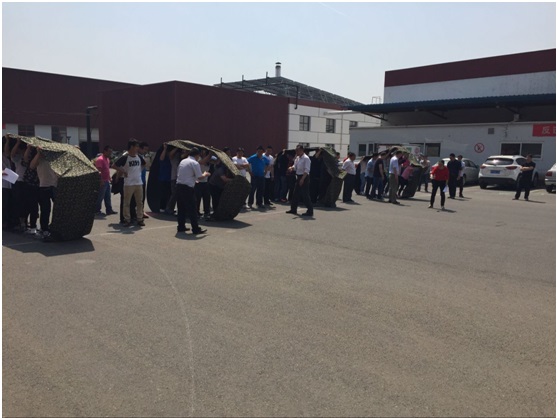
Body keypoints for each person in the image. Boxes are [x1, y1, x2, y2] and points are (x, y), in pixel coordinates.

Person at [176, 147, 210, 234]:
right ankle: (195, 228)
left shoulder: (183, 161)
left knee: (181, 207)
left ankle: (181, 226)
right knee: (192, 208)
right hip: (187, 188)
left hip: (179, 185)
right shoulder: (194, 163)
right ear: (197, 155)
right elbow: (200, 176)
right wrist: (205, 174)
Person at [113, 139, 146, 227]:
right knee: (126, 203)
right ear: (131, 147)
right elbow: (114, 165)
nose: (138, 148)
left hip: (138, 183)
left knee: (139, 202)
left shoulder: (139, 157)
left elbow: (144, 164)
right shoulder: (125, 157)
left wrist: (139, 171)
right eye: (136, 146)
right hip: (128, 184)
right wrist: (123, 171)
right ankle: (127, 219)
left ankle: (140, 218)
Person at [30, 146, 59, 239]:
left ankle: (56, 226)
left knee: (59, 208)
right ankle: (44, 228)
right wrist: (39, 153)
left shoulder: (54, 159)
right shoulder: (40, 159)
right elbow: (32, 166)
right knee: (45, 209)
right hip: (44, 186)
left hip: (54, 186)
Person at [286, 144, 313, 217]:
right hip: (298, 176)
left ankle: (310, 211)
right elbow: (295, 166)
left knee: (305, 195)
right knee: (295, 194)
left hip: (304, 177)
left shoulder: (306, 158)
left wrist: (302, 179)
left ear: (302, 150)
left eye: (297, 150)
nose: (296, 152)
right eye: (296, 150)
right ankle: (293, 209)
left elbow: (307, 170)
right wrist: (291, 168)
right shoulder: (297, 158)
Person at [94, 145, 117, 216]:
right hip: (102, 181)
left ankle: (109, 210)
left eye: (111, 152)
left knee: (107, 196)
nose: (110, 153)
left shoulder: (107, 159)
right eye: (109, 152)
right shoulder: (100, 159)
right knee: (100, 197)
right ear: (105, 151)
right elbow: (99, 171)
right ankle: (97, 211)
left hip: (106, 181)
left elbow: (107, 170)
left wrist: (110, 178)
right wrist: (101, 181)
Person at [195, 149, 212, 219]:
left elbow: (216, 161)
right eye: (202, 151)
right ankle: (196, 212)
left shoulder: (209, 160)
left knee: (207, 197)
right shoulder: (198, 158)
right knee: (197, 198)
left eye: (205, 151)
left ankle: (207, 212)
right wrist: (210, 154)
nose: (203, 152)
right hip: (198, 181)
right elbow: (202, 162)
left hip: (205, 181)